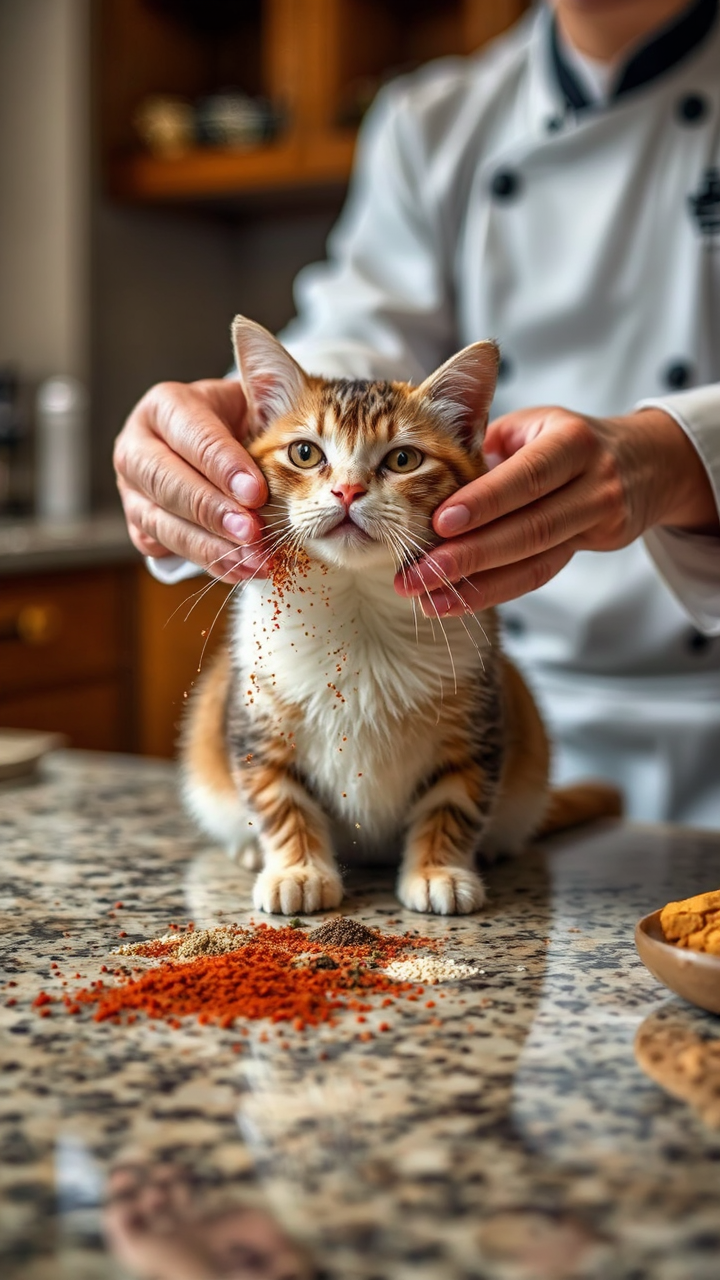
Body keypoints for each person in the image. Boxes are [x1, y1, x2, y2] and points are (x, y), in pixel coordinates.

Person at [114, 0, 720, 826]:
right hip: (464, 698)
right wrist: (233, 435)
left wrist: (683, 455)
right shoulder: (431, 118)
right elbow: (361, 344)